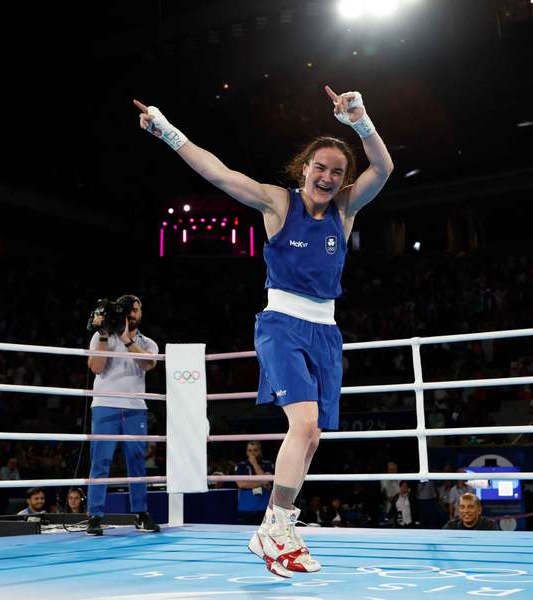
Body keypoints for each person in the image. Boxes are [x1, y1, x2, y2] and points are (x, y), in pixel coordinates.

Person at [133, 85, 393, 577]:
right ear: (304, 169)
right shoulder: (278, 203)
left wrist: (361, 121)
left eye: (337, 172)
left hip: (326, 331)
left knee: (313, 437)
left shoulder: (345, 209)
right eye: (321, 168)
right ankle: (277, 523)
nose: (328, 176)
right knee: (305, 426)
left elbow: (383, 169)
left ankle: (277, 526)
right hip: (281, 325)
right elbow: (217, 171)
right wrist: (167, 130)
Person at [86, 294, 160, 536]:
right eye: (128, 310)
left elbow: (149, 365)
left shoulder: (147, 342)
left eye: (136, 310)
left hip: (135, 408)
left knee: (137, 461)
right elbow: (96, 368)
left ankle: (140, 513)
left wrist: (127, 339)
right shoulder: (101, 336)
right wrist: (107, 335)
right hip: (105, 404)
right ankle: (95, 516)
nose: (133, 314)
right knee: (100, 461)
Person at [234, 441, 274, 525]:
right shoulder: (241, 465)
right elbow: (241, 484)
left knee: (264, 534)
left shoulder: (268, 464)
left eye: (255, 450)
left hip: (264, 507)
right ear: (246, 452)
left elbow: (267, 481)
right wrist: (262, 481)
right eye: (250, 450)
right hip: (245, 508)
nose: (252, 453)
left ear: (260, 451)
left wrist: (254, 464)